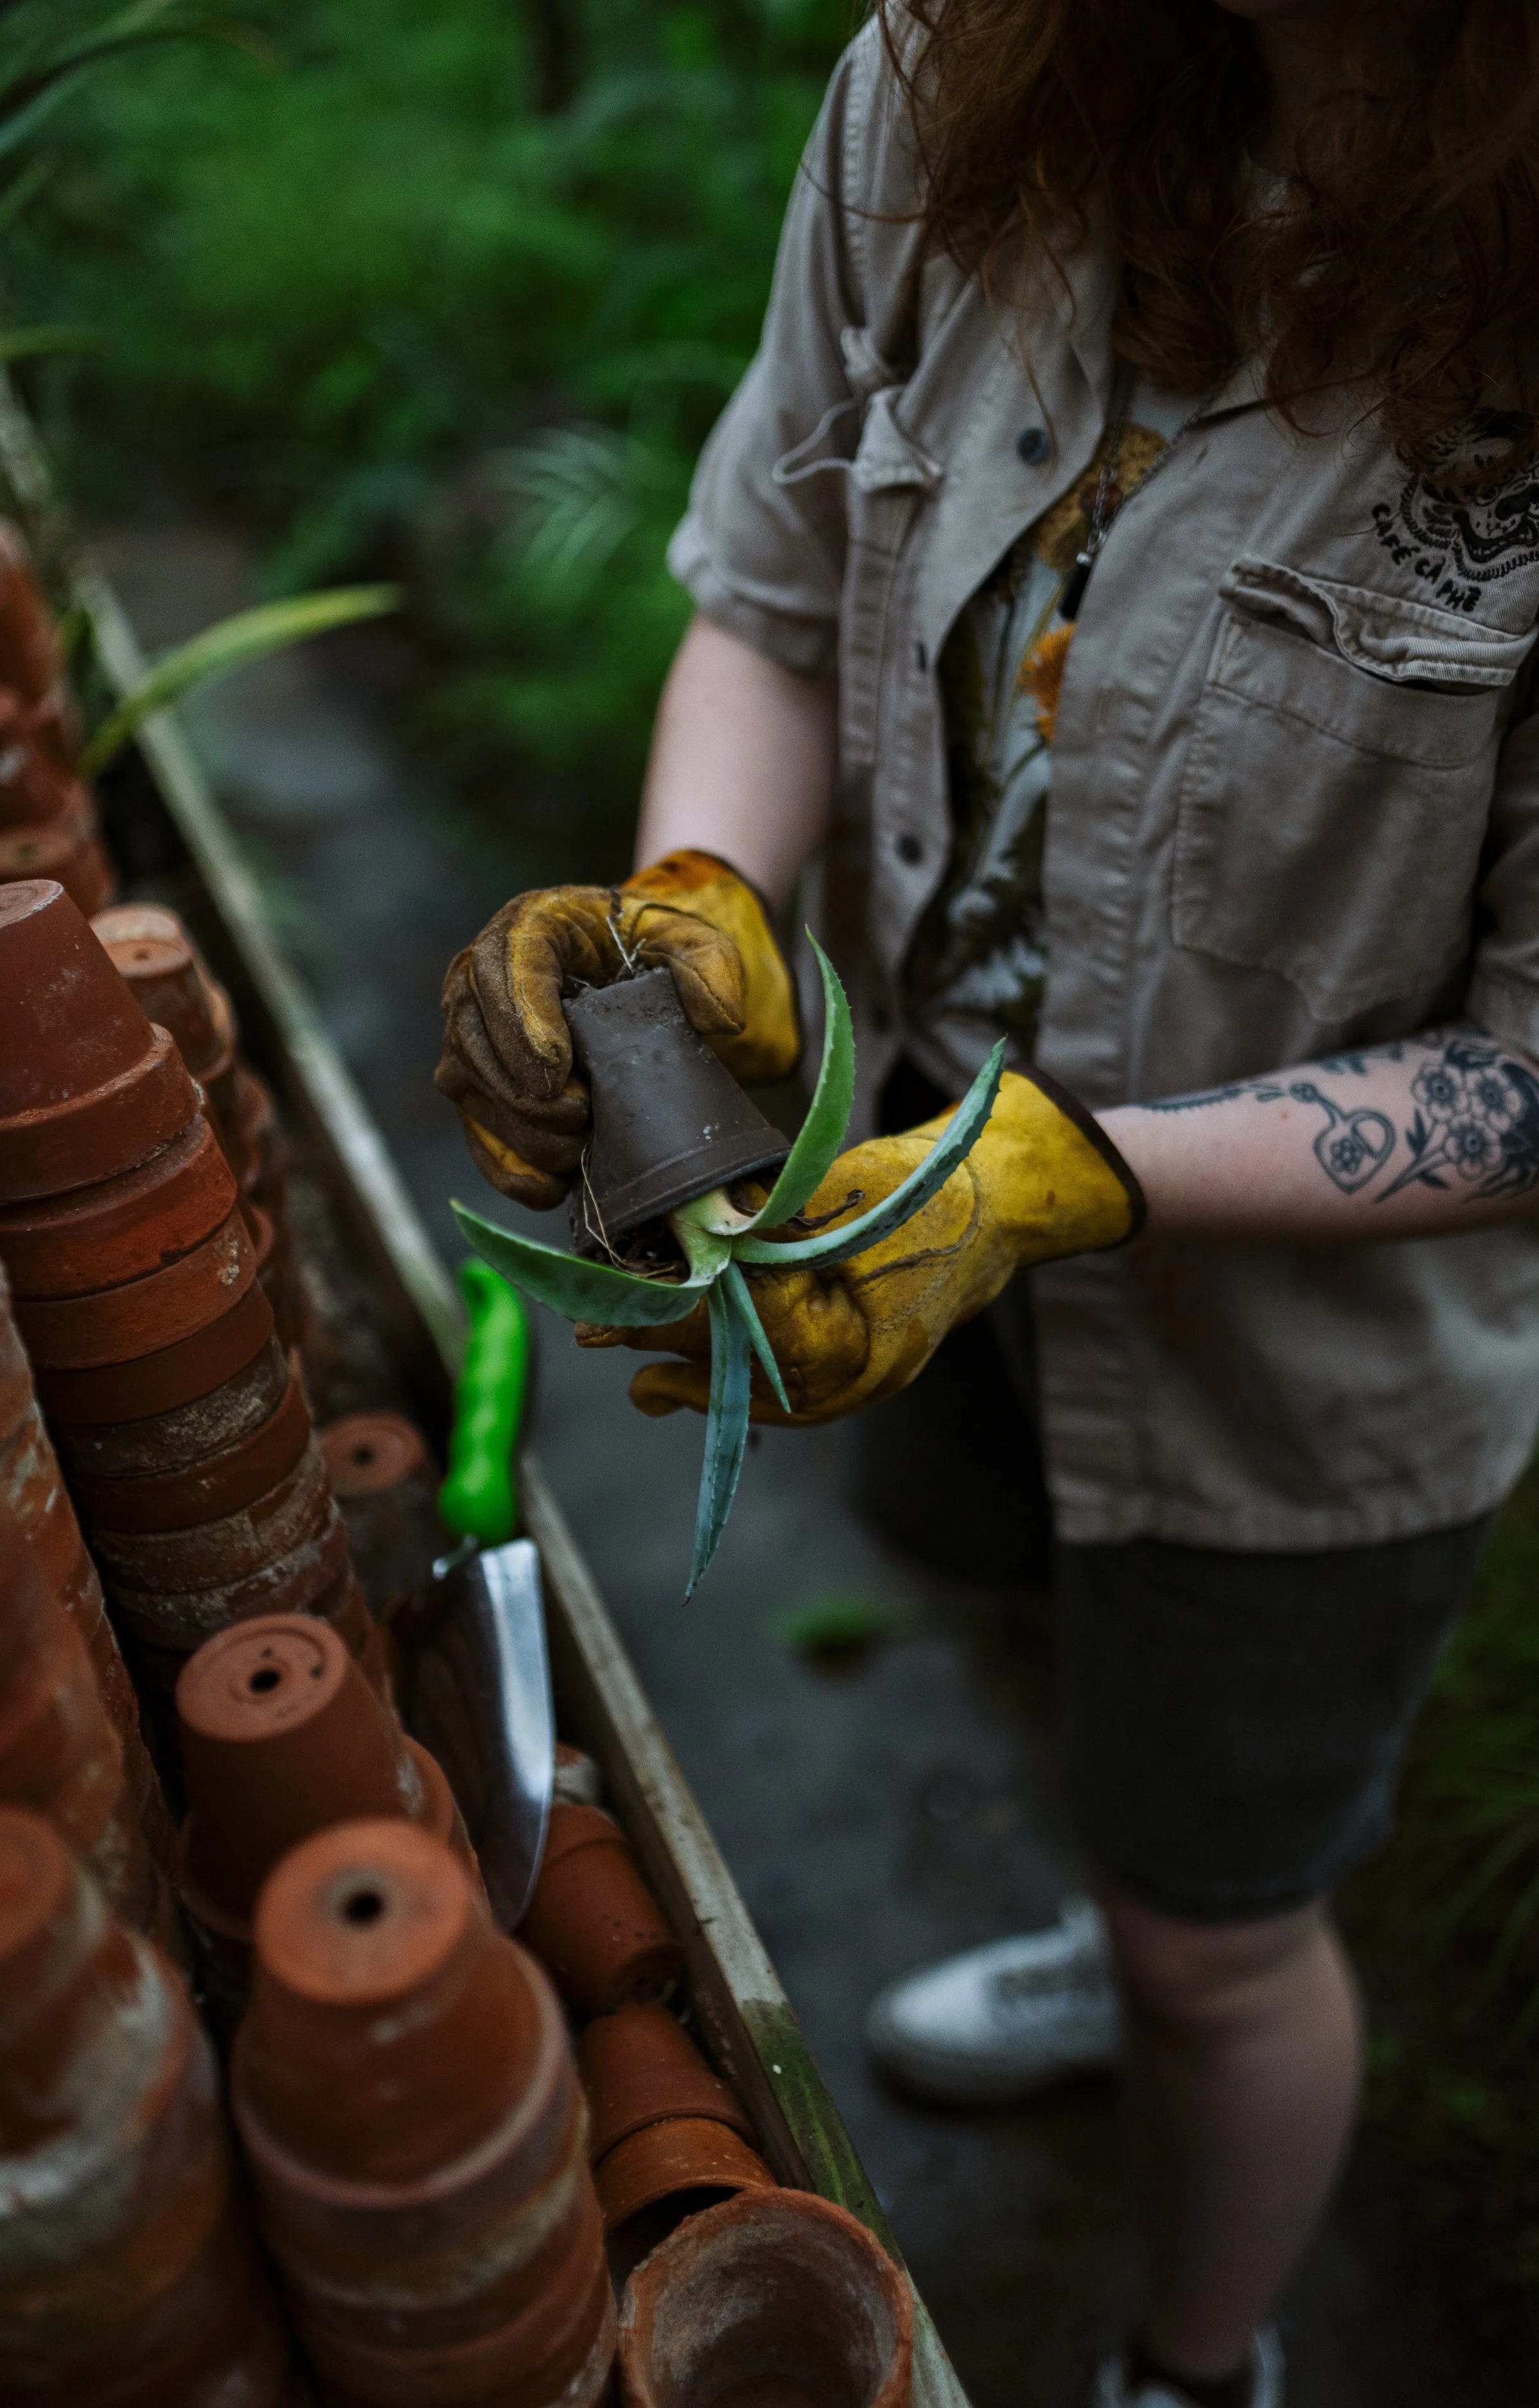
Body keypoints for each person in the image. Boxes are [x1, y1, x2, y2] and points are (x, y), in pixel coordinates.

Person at [435, 3, 1539, 2402]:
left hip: (1288, 1351)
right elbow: (767, 579)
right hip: (904, 1164)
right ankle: (1128, 1891)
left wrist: (1069, 1180)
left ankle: (1191, 2342)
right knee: (1065, 1653)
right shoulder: (958, 78)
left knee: (1222, 1941)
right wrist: (702, 900)